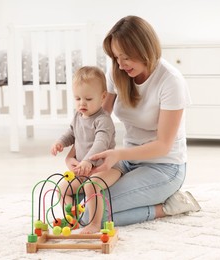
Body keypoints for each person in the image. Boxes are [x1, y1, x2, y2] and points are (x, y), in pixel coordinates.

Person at [65, 15, 201, 227]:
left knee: (88, 216)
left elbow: (163, 145)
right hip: (127, 162)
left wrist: (118, 154)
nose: (120, 64)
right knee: (75, 201)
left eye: (126, 56)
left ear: (143, 49)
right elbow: (97, 119)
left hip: (164, 167)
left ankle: (167, 206)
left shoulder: (170, 81)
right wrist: (73, 155)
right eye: (116, 57)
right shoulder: (117, 72)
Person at [50, 66, 121, 234]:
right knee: (62, 189)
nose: (82, 103)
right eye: (77, 98)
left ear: (103, 97)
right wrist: (60, 142)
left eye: (88, 99)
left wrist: (88, 160)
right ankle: (71, 216)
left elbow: (101, 142)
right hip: (84, 169)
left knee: (91, 185)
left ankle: (94, 223)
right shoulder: (77, 116)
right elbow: (71, 133)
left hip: (106, 168)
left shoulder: (103, 120)